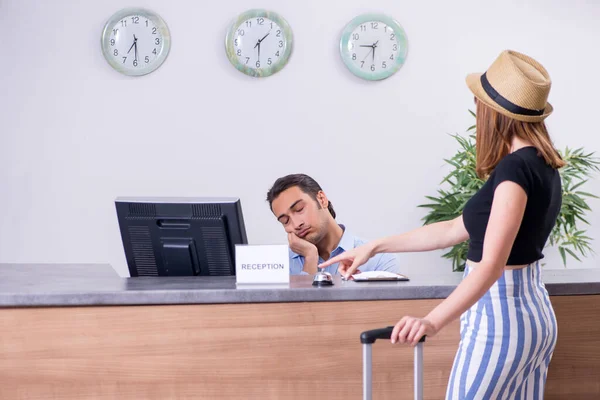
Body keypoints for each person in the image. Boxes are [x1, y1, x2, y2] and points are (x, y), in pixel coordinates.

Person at [320, 50, 564, 399]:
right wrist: (374, 246)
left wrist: (431, 321)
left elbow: (491, 265)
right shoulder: (542, 165)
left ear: (493, 112)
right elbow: (453, 229)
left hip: (500, 320)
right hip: (534, 315)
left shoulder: (514, 169)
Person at [266, 173, 400, 275]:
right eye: (285, 221)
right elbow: (294, 312)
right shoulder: (279, 266)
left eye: (300, 209)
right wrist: (310, 258)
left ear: (322, 199)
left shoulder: (379, 259)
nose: (296, 225)